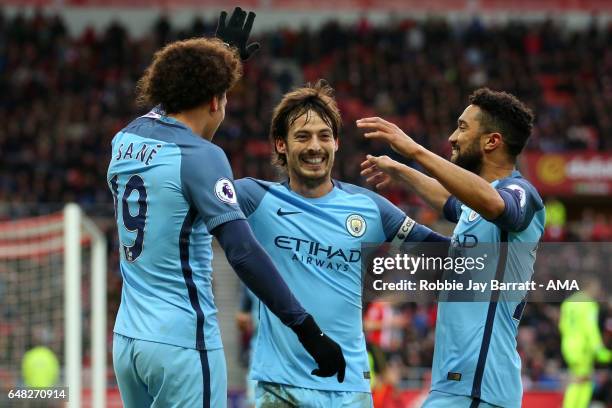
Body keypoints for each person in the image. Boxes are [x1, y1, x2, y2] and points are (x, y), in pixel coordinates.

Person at [107, 9, 344, 408]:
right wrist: (307, 330)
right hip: (182, 344)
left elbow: (177, 95)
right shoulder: (202, 156)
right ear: (215, 100)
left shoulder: (124, 140)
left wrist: (221, 55)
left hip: (128, 343)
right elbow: (243, 251)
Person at [234, 80, 447, 407]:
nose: (314, 146)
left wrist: (410, 171)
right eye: (302, 137)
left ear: (335, 143)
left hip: (348, 389)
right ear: (280, 145)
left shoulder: (371, 208)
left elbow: (447, 255)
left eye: (323, 136)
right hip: (279, 387)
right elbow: (194, 186)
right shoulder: (254, 197)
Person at [358, 88, 545, 407]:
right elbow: (450, 202)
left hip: (479, 388)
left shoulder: (519, 192)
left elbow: (499, 206)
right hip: (459, 387)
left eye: (462, 127)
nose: (451, 137)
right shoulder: (477, 208)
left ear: (492, 141)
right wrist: (402, 171)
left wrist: (415, 151)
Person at [559, 277, 612, 408]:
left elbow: (562, 325)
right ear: (590, 287)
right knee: (583, 381)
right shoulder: (588, 304)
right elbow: (590, 329)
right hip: (582, 347)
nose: (598, 291)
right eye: (596, 288)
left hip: (568, 345)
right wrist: (598, 349)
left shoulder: (568, 302)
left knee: (577, 379)